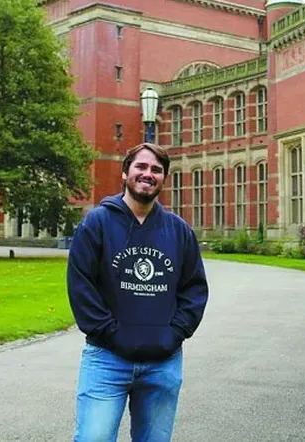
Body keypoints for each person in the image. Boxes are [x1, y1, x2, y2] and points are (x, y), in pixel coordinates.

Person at [67, 142, 209, 442]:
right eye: (141, 167)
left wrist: (174, 333)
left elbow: (194, 289)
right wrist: (111, 333)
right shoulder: (97, 223)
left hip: (163, 362)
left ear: (164, 179)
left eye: (156, 170)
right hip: (107, 359)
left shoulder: (179, 230)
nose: (148, 174)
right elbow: (81, 286)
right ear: (125, 173)